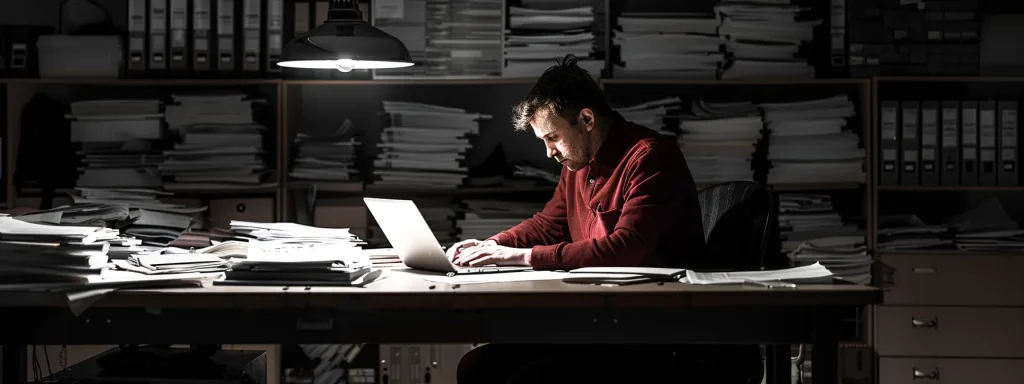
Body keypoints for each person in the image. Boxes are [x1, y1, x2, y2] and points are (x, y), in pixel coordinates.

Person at [447, 55, 764, 384]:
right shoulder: (577, 164)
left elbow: (627, 248)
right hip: (604, 320)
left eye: (552, 138)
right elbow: (548, 225)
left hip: (653, 333)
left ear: (586, 119)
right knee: (477, 368)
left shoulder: (650, 157)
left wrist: (524, 257)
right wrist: (492, 244)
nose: (548, 152)